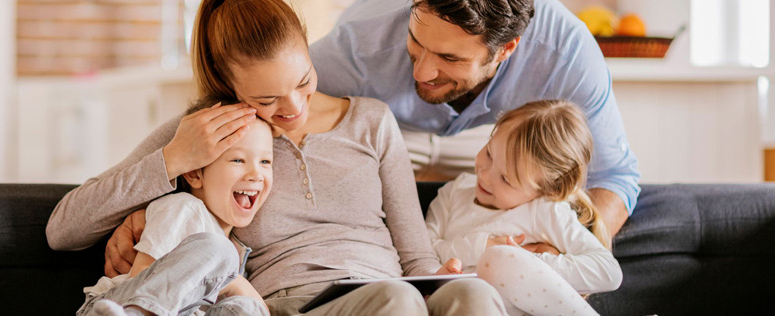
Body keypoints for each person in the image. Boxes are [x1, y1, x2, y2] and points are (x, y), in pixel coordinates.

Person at [46, 0, 507, 315]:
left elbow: (414, 253)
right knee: (397, 303)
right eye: (267, 98)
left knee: (471, 294)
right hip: (292, 301)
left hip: (388, 289)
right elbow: (62, 229)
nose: (294, 108)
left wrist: (438, 278)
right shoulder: (211, 135)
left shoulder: (372, 120)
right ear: (230, 88)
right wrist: (170, 160)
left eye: (304, 81)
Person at [309, 0, 641, 237]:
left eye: (449, 57)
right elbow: (270, 101)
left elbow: (613, 176)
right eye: (416, 41)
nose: (421, 70)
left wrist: (561, 254)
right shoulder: (354, 48)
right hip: (386, 128)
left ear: (506, 49)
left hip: (495, 142)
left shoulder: (565, 52)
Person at [425, 100, 622, 315]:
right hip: (455, 305)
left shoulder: (544, 210)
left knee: (498, 260)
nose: (485, 175)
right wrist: (484, 245)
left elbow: (608, 272)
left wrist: (528, 262)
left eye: (506, 179)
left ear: (548, 190)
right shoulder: (454, 192)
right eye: (489, 153)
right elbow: (422, 250)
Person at [73, 113, 274, 316]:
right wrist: (235, 282)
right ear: (195, 174)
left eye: (265, 161)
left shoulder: (239, 246)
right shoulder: (183, 208)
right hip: (121, 304)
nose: (256, 174)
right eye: (238, 160)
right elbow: (145, 277)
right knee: (221, 253)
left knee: (246, 307)